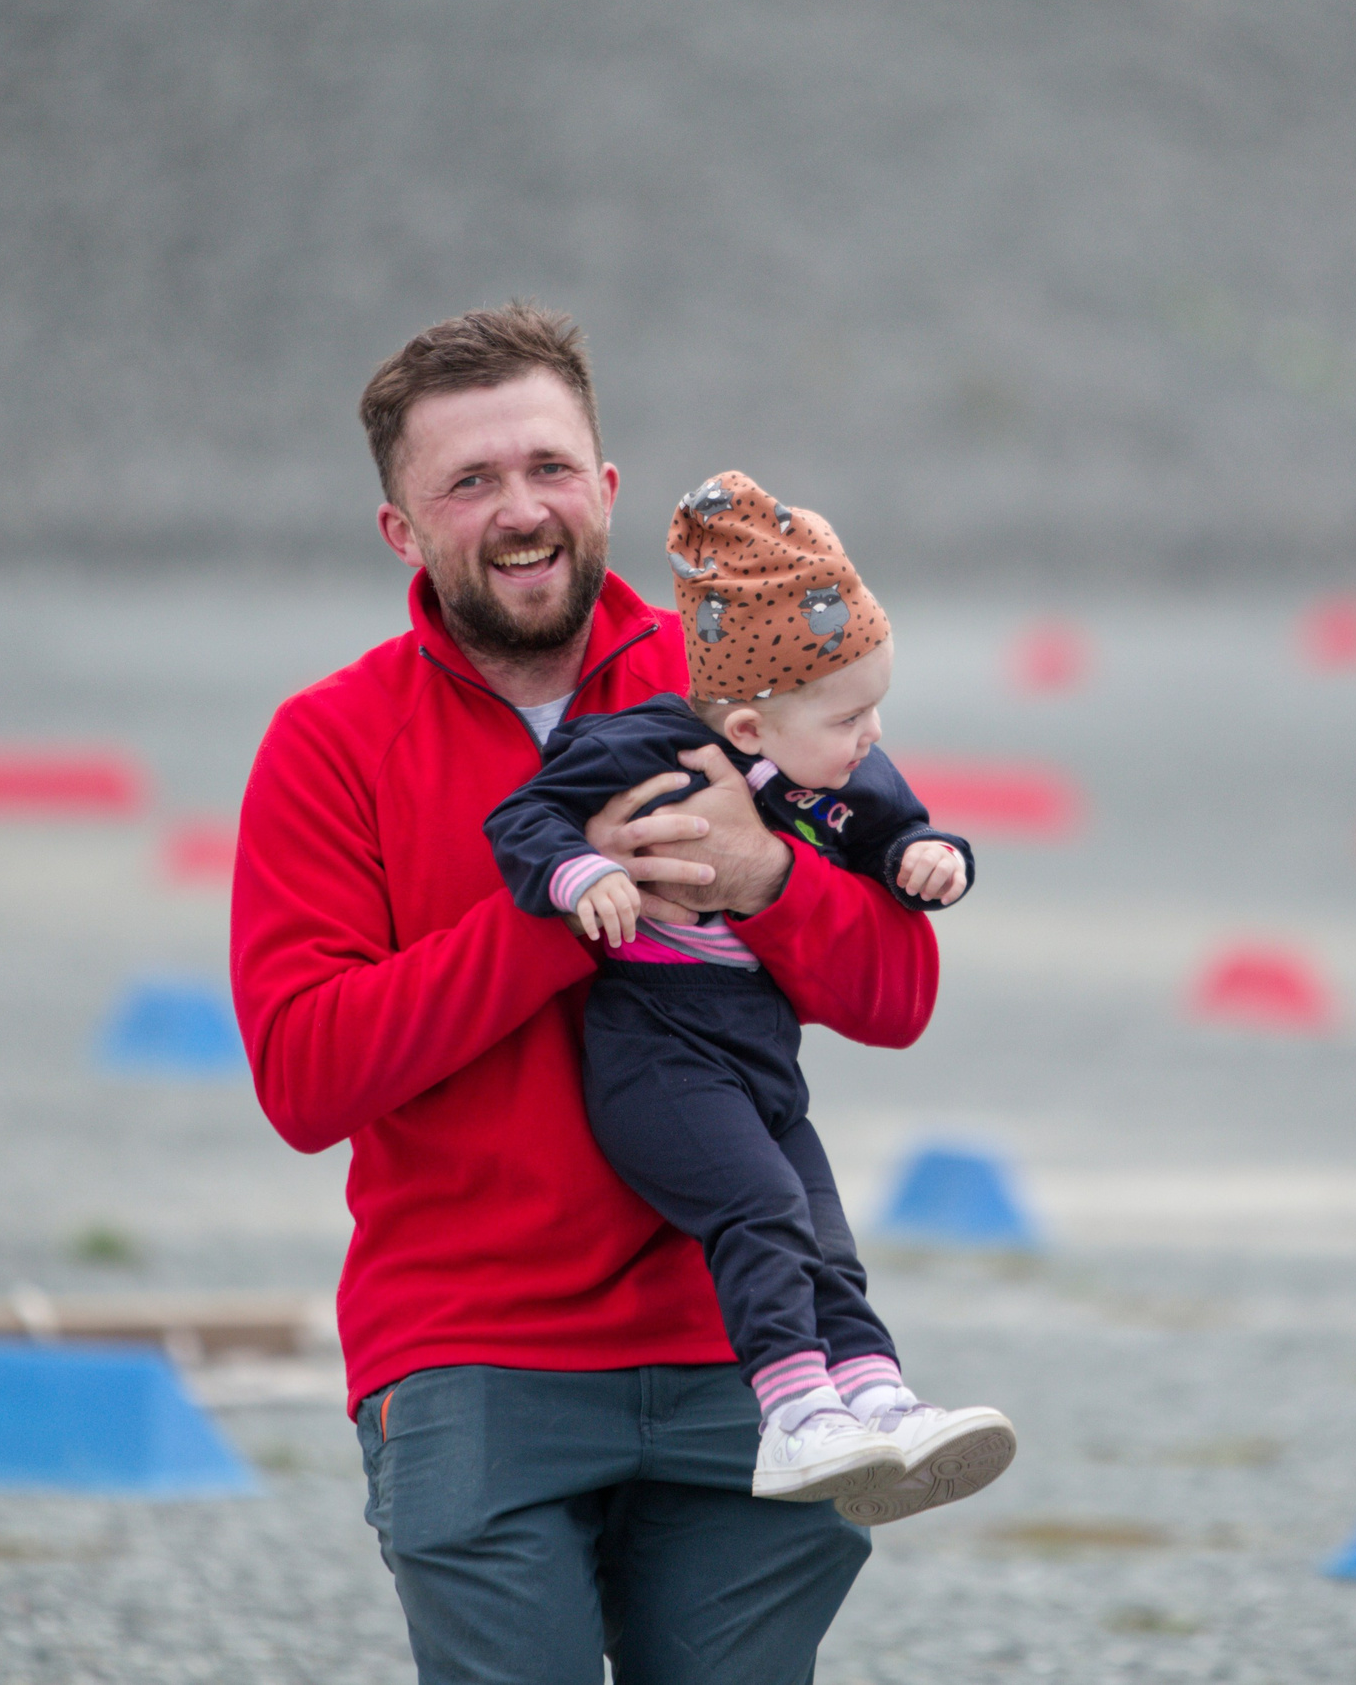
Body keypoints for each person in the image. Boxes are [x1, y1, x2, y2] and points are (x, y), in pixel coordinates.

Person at [230, 303, 939, 1684]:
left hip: (746, 1343)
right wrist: (566, 909)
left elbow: (902, 990)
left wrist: (761, 878)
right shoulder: (326, 741)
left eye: (549, 467)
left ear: (606, 487)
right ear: (403, 529)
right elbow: (305, 1077)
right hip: (470, 1351)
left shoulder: (738, 684)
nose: (520, 511)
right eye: (470, 482)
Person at [485, 471, 1016, 1526]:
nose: (874, 737)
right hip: (657, 1054)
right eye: (852, 715)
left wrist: (929, 854)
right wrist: (578, 873)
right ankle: (791, 1412)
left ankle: (872, 1390)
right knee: (762, 1209)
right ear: (748, 723)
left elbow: (897, 826)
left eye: (878, 708)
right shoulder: (640, 745)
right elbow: (521, 819)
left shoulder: (840, 772)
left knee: (823, 1225)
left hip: (761, 1057)